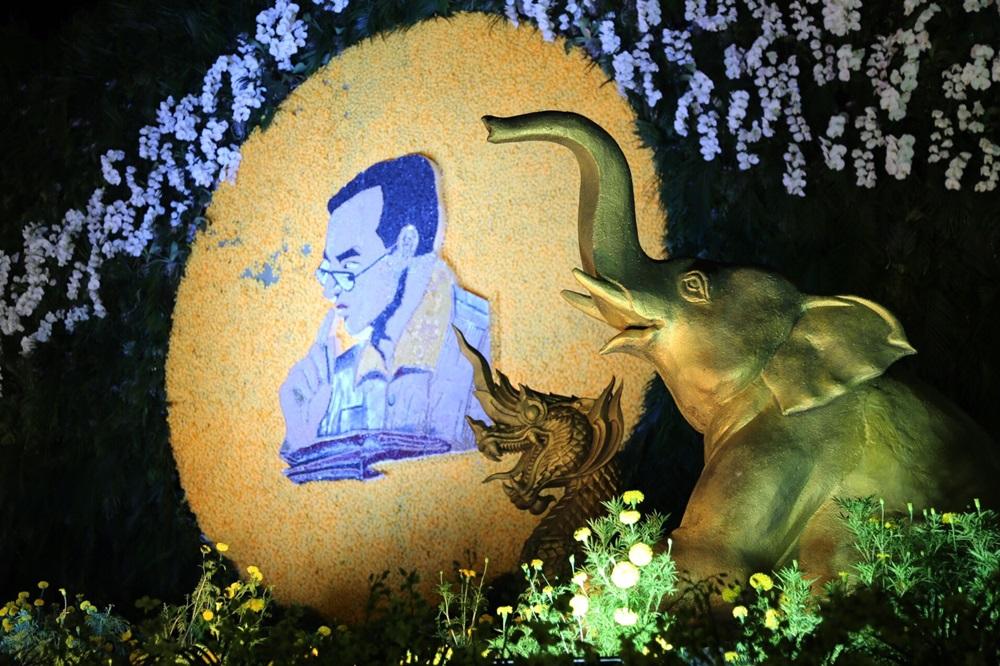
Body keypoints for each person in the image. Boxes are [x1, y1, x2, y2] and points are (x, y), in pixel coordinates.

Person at [278, 154, 491, 483]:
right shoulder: (336, 378)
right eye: (327, 270)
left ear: (405, 245)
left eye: (348, 268)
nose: (330, 291)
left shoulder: (481, 344)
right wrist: (302, 435)